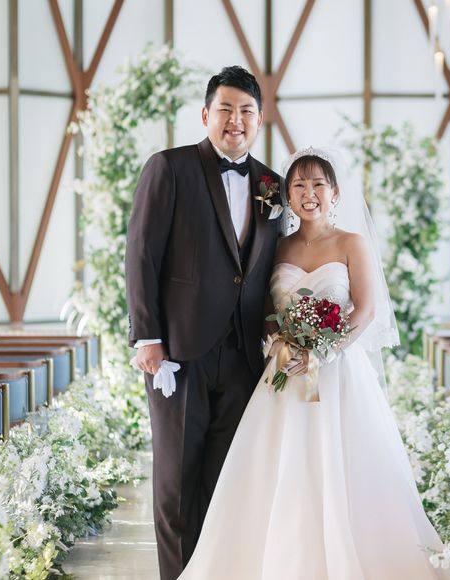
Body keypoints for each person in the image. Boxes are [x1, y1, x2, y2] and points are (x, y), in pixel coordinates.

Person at [177, 148, 446, 580]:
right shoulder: (276, 245)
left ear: (334, 192)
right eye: (299, 185)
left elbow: (365, 309)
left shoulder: (351, 243)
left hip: (339, 374)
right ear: (288, 195)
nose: (309, 193)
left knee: (344, 468)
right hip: (285, 372)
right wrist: (281, 346)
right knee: (278, 469)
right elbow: (264, 309)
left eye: (318, 184)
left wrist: (322, 351)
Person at [125, 66, 283, 579]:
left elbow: (273, 266)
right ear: (205, 114)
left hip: (244, 356)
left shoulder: (273, 185)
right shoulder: (169, 168)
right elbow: (141, 254)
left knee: (226, 481)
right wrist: (147, 337)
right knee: (176, 482)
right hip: (179, 352)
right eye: (226, 109)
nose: (236, 120)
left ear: (260, 120)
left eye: (246, 111)